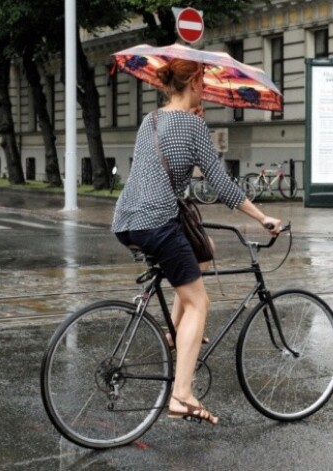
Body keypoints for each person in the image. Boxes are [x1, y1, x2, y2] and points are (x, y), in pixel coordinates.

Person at [111, 58, 281, 426]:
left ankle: (175, 335)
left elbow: (150, 171)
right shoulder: (192, 125)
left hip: (127, 220)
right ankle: (182, 395)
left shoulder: (150, 120)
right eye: (203, 81)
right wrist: (262, 217)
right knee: (200, 302)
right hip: (158, 221)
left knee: (202, 254)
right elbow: (220, 184)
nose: (205, 88)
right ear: (193, 83)